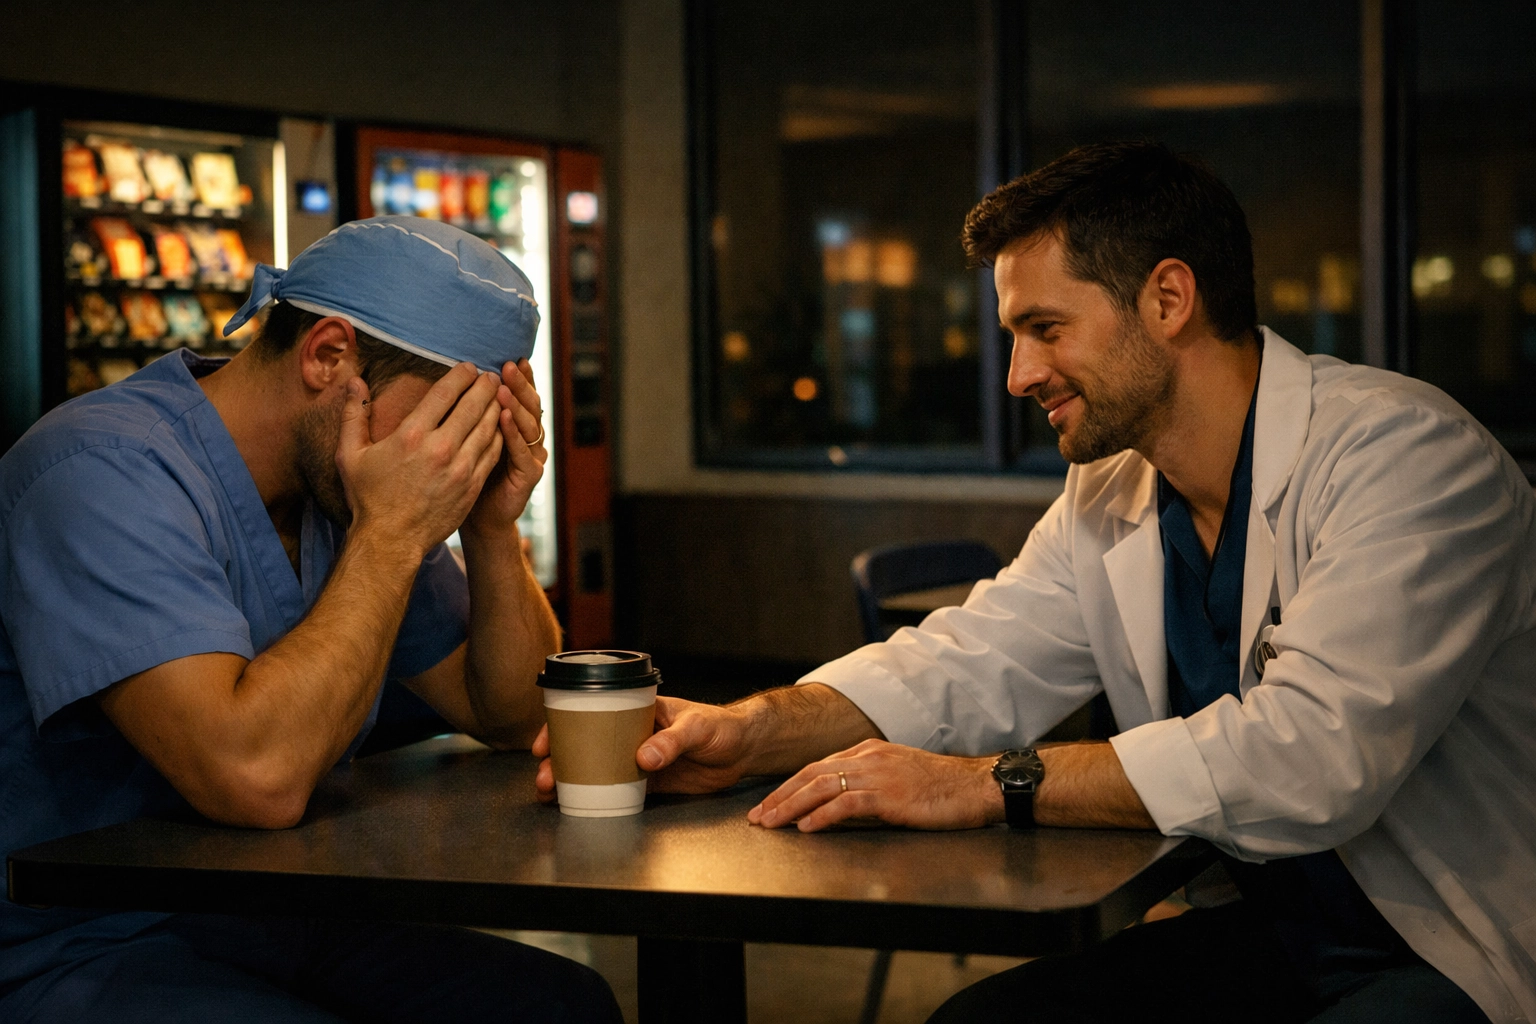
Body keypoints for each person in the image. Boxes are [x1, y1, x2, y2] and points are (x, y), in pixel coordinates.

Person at [535, 143, 1536, 1023]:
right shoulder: (1112, 489)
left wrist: (989, 783)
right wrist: (748, 730)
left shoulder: (1406, 457)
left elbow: (1313, 757)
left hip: (1455, 940)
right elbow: (968, 663)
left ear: (1169, 299)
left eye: (1045, 327)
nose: (1017, 374)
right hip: (1273, 931)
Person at [1, 216, 622, 1023]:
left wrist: (491, 526)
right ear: (328, 356)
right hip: (80, 942)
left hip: (273, 913)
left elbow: (511, 712)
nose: (454, 459)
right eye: (446, 427)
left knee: (559, 1002)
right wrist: (394, 532)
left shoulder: (346, 486)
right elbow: (254, 779)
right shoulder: (99, 474)